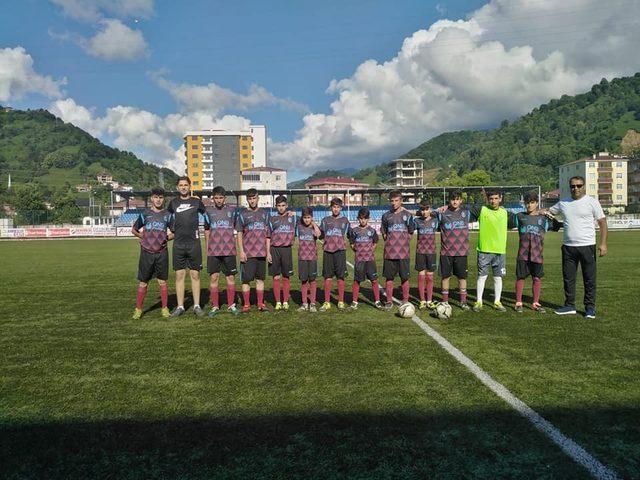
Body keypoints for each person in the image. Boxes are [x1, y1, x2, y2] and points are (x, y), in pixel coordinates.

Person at [547, 176, 607, 318]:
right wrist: (536, 211)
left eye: (579, 186)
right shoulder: (563, 203)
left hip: (587, 246)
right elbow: (549, 211)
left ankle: (590, 308)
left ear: (584, 186)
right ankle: (569, 305)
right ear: (570, 187)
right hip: (568, 247)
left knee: (589, 279)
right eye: (573, 186)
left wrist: (603, 243)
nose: (576, 188)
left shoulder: (592, 202)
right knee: (568, 278)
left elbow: (603, 223)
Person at [513, 191, 562, 313]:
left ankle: (535, 302)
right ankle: (518, 302)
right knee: (520, 277)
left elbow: (557, 226)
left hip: (537, 255)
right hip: (523, 254)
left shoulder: (543, 219)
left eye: (532, 202)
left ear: (537, 203)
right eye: (527, 203)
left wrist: (549, 214)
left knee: (537, 278)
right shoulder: (519, 216)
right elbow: (506, 223)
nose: (529, 205)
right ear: (524, 203)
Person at [470, 188, 517, 313]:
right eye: (491, 198)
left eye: (496, 198)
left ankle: (497, 301)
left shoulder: (506, 213)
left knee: (498, 278)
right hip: (484, 250)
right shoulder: (481, 210)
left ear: (500, 199)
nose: (493, 201)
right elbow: (464, 212)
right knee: (482, 277)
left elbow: (522, 219)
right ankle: (479, 301)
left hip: (500, 251)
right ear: (487, 199)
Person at [167, 176, 207, 318]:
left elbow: (207, 217)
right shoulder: (173, 203)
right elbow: (167, 219)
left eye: (186, 185)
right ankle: (180, 306)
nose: (183, 187)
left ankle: (196, 306)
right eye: (181, 185)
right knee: (179, 275)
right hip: (178, 244)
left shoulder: (197, 202)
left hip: (194, 243)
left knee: (195, 274)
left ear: (190, 187)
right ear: (177, 187)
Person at [131, 187, 173, 319]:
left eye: (161, 197)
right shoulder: (145, 214)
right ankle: (138, 309)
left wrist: (165, 238)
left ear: (163, 199)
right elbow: (134, 230)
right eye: (156, 197)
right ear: (152, 199)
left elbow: (174, 232)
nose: (158, 200)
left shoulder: (168, 215)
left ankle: (165, 308)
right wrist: (142, 237)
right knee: (143, 282)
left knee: (163, 282)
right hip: (146, 253)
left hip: (161, 253)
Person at [203, 186, 239, 317]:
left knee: (230, 277)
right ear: (213, 198)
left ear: (225, 198)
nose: (218, 200)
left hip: (229, 250)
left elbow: (238, 227)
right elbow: (206, 230)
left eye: (220, 198)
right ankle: (215, 306)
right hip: (214, 251)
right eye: (216, 198)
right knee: (214, 277)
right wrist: (207, 247)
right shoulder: (208, 212)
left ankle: (231, 305)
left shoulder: (232, 211)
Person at [236, 188, 271, 313]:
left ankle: (261, 304)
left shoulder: (265, 214)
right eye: (250, 199)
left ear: (258, 198)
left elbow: (268, 234)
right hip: (248, 253)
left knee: (260, 279)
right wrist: (241, 251)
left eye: (254, 198)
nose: (252, 201)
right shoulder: (242, 214)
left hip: (261, 253)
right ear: (247, 200)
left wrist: (268, 251)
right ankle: (246, 305)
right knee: (246, 280)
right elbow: (239, 233)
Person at [435, 190, 471, 310]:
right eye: (452, 199)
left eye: (457, 199)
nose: (455, 201)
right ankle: (445, 302)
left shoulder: (467, 213)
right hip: (446, 252)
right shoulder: (442, 214)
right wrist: (438, 209)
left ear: (461, 200)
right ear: (449, 200)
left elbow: (480, 207)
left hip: (461, 252)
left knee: (462, 277)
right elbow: (425, 213)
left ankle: (463, 301)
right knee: (445, 277)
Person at [380, 190, 415, 310]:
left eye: (396, 201)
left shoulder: (408, 215)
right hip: (390, 253)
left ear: (401, 201)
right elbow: (384, 232)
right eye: (392, 201)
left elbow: (411, 232)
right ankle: (389, 301)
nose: (394, 203)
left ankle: (405, 300)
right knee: (389, 278)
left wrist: (403, 243)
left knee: (404, 277)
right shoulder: (386, 216)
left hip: (403, 253)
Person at [348, 207, 383, 310]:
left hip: (370, 260)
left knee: (374, 280)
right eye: (361, 218)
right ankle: (354, 302)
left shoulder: (371, 231)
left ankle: (377, 301)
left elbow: (375, 241)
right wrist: (357, 251)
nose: (363, 220)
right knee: (357, 281)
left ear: (369, 219)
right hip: (359, 260)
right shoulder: (354, 231)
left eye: (365, 218)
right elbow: (351, 243)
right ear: (358, 218)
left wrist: (370, 250)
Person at [319, 198, 350, 311]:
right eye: (334, 207)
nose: (336, 209)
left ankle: (340, 301)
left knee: (340, 277)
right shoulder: (325, 220)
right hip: (328, 251)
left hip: (340, 251)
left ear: (341, 208)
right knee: (327, 277)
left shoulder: (345, 220)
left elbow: (351, 234)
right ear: (331, 208)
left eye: (338, 207)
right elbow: (320, 235)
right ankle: (327, 302)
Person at [268, 195, 296, 311]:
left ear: (287, 206)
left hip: (286, 250)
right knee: (275, 277)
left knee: (286, 277)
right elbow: (268, 237)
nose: (281, 208)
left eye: (283, 205)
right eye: (279, 206)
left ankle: (285, 301)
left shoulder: (293, 218)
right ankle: (278, 302)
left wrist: (293, 213)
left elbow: (306, 220)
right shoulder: (272, 219)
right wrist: (268, 252)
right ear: (276, 206)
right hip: (274, 249)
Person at [414, 198, 439, 310]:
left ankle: (429, 300)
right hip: (420, 252)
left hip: (431, 252)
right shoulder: (417, 221)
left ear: (430, 208)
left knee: (430, 277)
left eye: (426, 209)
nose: (424, 212)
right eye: (422, 210)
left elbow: (441, 212)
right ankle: (422, 300)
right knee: (421, 276)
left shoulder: (435, 220)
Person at [297, 207, 321, 312]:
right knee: (303, 280)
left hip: (312, 257)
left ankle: (312, 303)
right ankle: (304, 303)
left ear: (312, 217)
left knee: (312, 280)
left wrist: (314, 224)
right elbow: (293, 219)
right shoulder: (298, 225)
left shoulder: (314, 227)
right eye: (305, 217)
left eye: (309, 217)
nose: (307, 219)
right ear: (302, 218)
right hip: (302, 257)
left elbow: (319, 234)